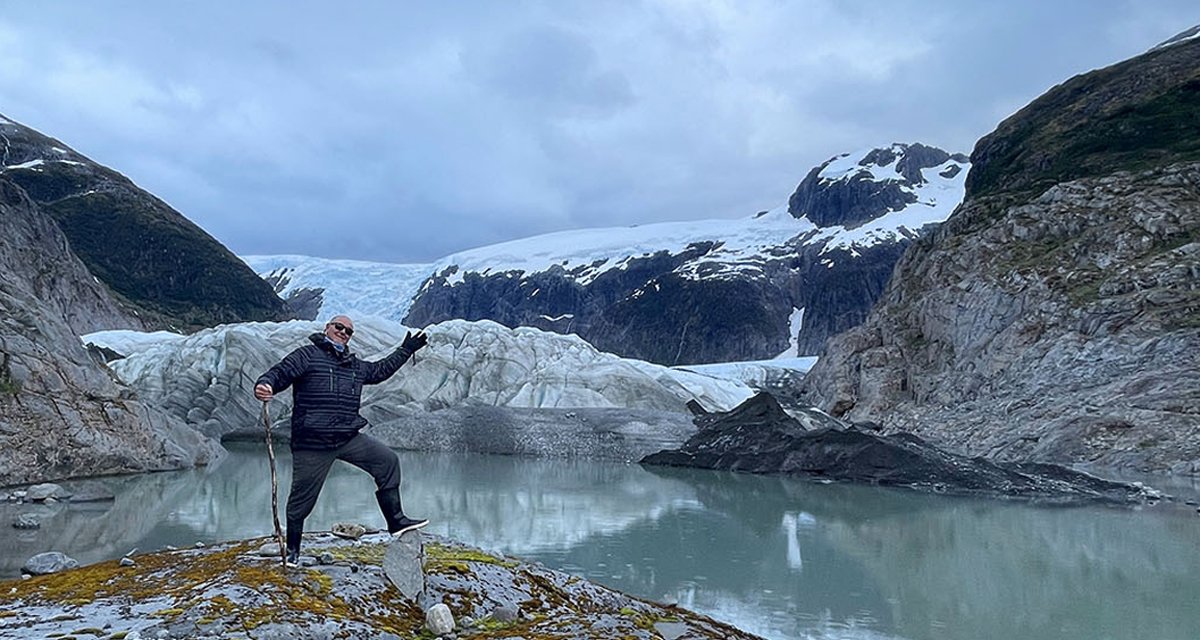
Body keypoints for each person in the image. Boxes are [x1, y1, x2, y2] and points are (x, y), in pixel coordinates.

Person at [254, 315, 429, 566]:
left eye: (348, 331)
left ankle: (396, 522)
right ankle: (292, 551)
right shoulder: (307, 355)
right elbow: (281, 372)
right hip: (312, 443)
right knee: (301, 500)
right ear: (327, 328)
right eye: (339, 327)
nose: (343, 332)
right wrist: (265, 384)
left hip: (346, 437)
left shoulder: (354, 365)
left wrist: (405, 350)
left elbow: (380, 371)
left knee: (387, 461)